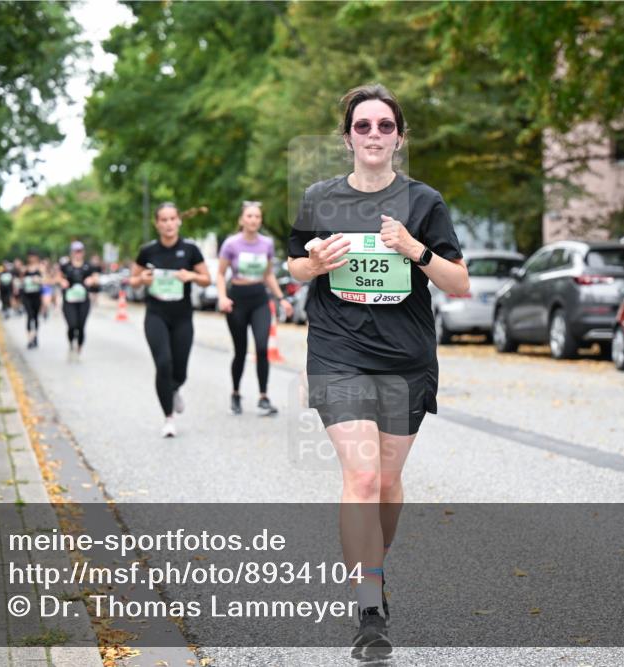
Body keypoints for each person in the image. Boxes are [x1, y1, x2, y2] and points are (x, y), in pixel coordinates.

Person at [287, 83, 468, 660]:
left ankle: (374, 572)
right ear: (347, 138)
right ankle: (369, 608)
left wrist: (415, 249)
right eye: (362, 126)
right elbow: (293, 267)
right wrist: (315, 262)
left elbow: (458, 282)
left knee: (387, 486)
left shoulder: (423, 202)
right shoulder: (320, 198)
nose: (373, 135)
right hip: (338, 350)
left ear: (399, 136)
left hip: (404, 357)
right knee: (362, 479)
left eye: (384, 126)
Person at [129, 203, 211, 438]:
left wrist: (191, 276)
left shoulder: (190, 250)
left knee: (181, 370)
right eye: (163, 220)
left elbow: (207, 279)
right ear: (157, 224)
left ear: (179, 221)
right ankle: (168, 418)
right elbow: (133, 279)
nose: (168, 224)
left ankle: (173, 388)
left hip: (182, 316)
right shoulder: (148, 251)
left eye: (172, 218)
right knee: (163, 363)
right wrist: (142, 279)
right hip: (156, 314)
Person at [217, 201, 293, 416]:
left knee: (262, 348)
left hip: (260, 299)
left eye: (257, 217)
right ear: (242, 220)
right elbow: (221, 274)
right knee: (240, 351)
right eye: (249, 216)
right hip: (237, 301)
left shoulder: (266, 244)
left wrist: (281, 298)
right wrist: (222, 297)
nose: (253, 220)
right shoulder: (231, 244)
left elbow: (268, 274)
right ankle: (235, 393)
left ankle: (263, 396)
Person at [57, 241, 99, 357]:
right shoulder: (66, 266)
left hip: (83, 301)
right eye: (76, 251)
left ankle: (79, 348)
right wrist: (62, 281)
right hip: (69, 301)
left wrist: (92, 280)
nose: (78, 254)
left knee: (81, 326)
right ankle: (71, 342)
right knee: (72, 325)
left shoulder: (88, 266)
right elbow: (58, 277)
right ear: (72, 253)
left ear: (83, 252)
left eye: (80, 251)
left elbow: (96, 277)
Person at [21, 250, 47, 349]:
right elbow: (20, 280)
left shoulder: (40, 268)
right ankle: (29, 339)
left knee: (35, 317)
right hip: (26, 295)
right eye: (30, 256)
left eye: (33, 256)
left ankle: (35, 336)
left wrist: (38, 280)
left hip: (36, 295)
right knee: (29, 315)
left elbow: (46, 280)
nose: (31, 258)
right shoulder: (25, 268)